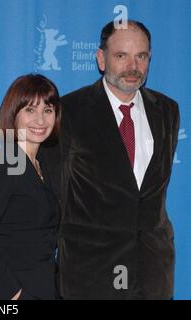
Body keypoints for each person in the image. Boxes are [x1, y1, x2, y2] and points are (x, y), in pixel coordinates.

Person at [58, 20, 179, 299]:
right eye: (121, 55)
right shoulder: (69, 111)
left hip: (153, 273)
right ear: (101, 59)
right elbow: (57, 192)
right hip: (91, 273)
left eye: (142, 56)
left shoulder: (167, 110)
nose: (133, 66)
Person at [0, 74, 61, 300]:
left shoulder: (45, 165)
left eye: (47, 110)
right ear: (13, 114)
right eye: (30, 110)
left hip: (44, 289)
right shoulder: (3, 164)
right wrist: (14, 293)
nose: (40, 119)